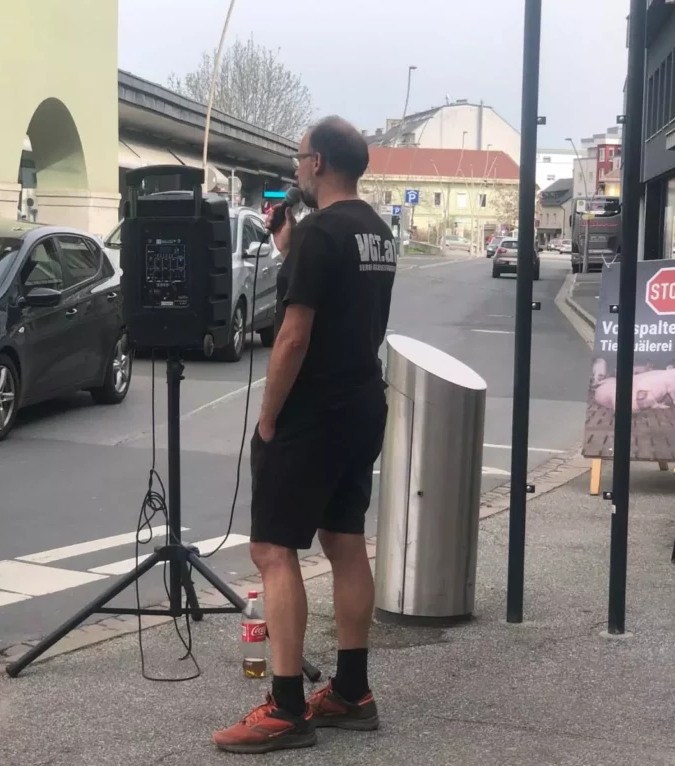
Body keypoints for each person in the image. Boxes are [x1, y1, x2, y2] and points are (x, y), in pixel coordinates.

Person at [212, 116, 397, 755]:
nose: (295, 170)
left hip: (313, 413)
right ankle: (351, 690)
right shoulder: (377, 231)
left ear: (317, 163)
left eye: (298, 159)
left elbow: (293, 336)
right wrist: (294, 249)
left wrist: (268, 420)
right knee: (345, 541)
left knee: (272, 549)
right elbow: (349, 304)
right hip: (362, 403)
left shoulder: (321, 233)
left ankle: (286, 706)